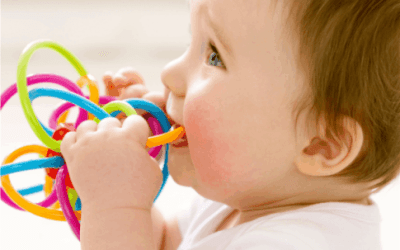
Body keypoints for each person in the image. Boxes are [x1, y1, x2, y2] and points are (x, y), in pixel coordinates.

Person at [61, 0, 400, 249]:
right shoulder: (251, 195)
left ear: (320, 145)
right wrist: (114, 183)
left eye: (214, 57)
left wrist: (115, 206)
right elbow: (162, 241)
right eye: (191, 40)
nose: (168, 74)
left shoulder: (293, 244)